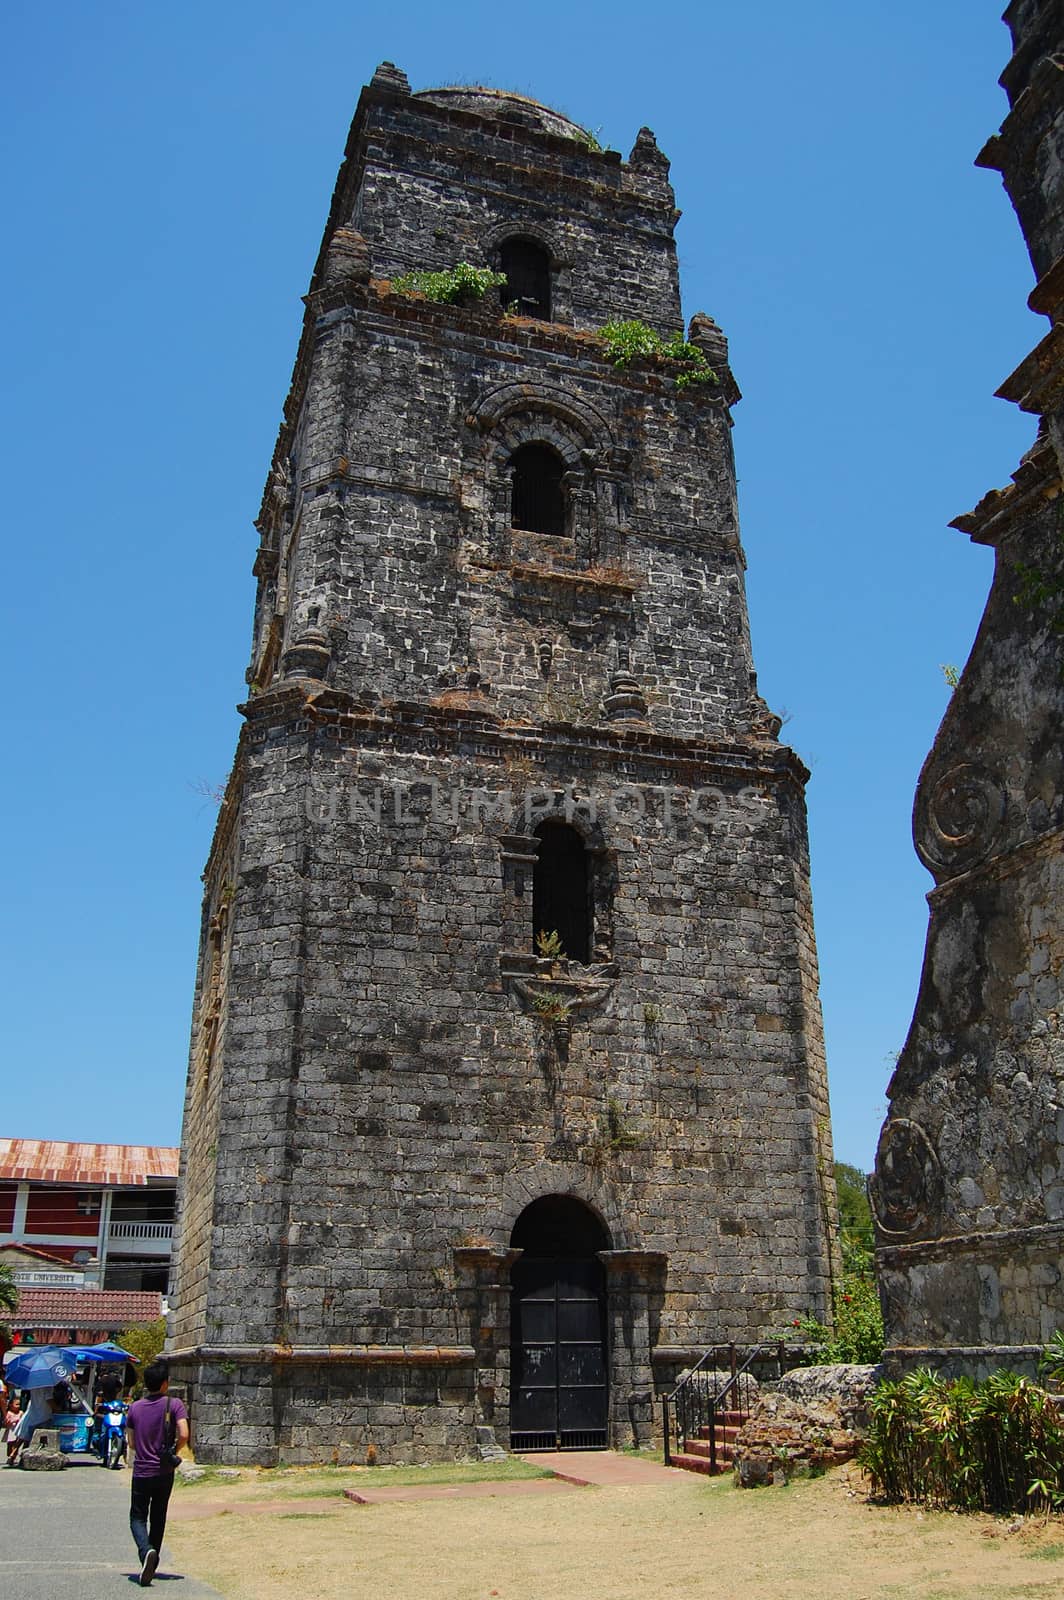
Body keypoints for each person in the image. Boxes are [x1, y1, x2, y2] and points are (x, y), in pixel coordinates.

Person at [125, 1359, 189, 1588]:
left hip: (142, 1470)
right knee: (158, 1516)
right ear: (164, 1384)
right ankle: (152, 1558)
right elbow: (184, 1433)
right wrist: (174, 1451)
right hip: (165, 1471)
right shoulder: (174, 1404)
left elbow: (131, 1443)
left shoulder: (134, 1408)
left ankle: (146, 1552)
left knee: (137, 1517)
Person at [4, 1393, 21, 1464]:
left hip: (17, 1431)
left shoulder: (20, 1413)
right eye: (16, 1404)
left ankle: (13, 1457)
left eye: (19, 1404)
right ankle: (9, 1455)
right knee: (10, 1445)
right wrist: (9, 1422)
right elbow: (6, 1423)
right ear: (11, 1405)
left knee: (16, 1444)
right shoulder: (9, 1413)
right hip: (11, 1431)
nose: (18, 1406)